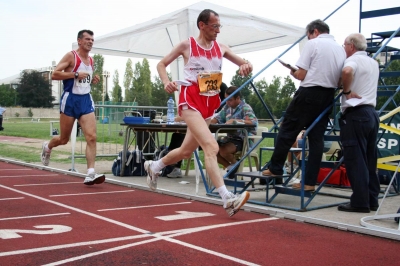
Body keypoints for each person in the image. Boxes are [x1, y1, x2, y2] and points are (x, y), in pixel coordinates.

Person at [148, 9, 253, 217]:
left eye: (219, 26)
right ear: (202, 25)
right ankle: (227, 199)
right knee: (211, 146)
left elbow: (245, 63)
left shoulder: (221, 48)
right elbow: (161, 64)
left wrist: (246, 66)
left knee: (186, 151)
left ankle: (154, 166)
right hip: (190, 100)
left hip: (209, 103)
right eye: (214, 26)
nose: (218, 31)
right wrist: (166, 82)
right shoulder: (187, 45)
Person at [262, 19, 346, 191]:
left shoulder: (313, 44)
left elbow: (301, 74)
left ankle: (275, 167)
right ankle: (309, 182)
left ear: (314, 32)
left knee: (287, 129)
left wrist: (293, 72)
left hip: (309, 93)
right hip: (328, 94)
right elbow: (340, 79)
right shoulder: (340, 49)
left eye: (308, 36)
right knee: (316, 139)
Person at [40, 29, 105, 186]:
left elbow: (85, 79)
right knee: (64, 139)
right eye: (87, 39)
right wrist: (75, 74)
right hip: (70, 100)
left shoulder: (91, 60)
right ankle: (47, 147)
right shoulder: (71, 56)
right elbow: (54, 74)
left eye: (92, 40)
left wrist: (92, 79)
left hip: (85, 101)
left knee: (92, 137)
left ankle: (90, 173)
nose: (90, 42)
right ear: (79, 41)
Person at [337, 33, 380, 213]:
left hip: (355, 113)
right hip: (371, 112)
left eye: (344, 45)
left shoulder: (352, 61)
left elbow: (347, 72)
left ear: (351, 46)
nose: (343, 48)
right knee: (370, 159)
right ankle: (371, 199)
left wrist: (346, 90)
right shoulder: (373, 62)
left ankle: (359, 202)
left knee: (356, 160)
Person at [167, 82, 228, 178]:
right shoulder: (196, 91)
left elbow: (214, 118)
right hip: (199, 125)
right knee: (183, 145)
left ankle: (223, 188)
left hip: (209, 132)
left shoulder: (221, 106)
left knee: (211, 148)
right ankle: (158, 165)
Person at [211, 86, 258, 179]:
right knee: (211, 150)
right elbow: (218, 118)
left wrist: (236, 121)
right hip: (230, 138)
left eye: (230, 100)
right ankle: (233, 167)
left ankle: (234, 167)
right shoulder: (226, 108)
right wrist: (209, 121)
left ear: (238, 98)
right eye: (226, 99)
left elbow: (253, 122)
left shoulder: (245, 108)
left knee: (223, 151)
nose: (227, 102)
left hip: (243, 139)